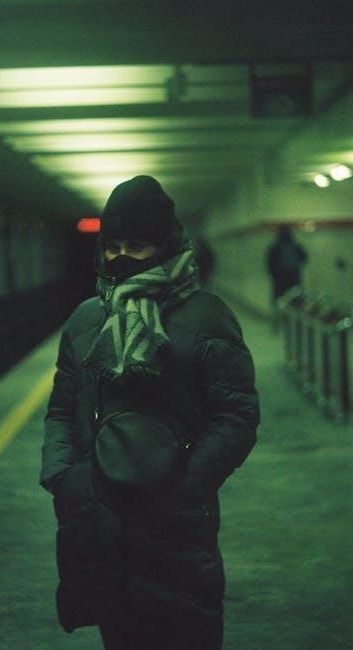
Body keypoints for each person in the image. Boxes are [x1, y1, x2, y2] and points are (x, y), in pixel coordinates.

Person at [40, 175, 260, 650]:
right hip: (98, 515)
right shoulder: (86, 319)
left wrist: (189, 484)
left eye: (137, 246)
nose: (121, 257)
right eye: (112, 246)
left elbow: (236, 415)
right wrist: (64, 476)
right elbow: (61, 411)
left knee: (187, 631)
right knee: (119, 634)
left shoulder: (206, 316)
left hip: (174, 522)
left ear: (165, 246)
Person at [266, 224, 308, 302]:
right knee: (294, 298)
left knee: (281, 299)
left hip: (281, 277)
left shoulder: (275, 247)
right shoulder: (295, 246)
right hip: (292, 276)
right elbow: (304, 257)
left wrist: (273, 274)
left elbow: (269, 263)